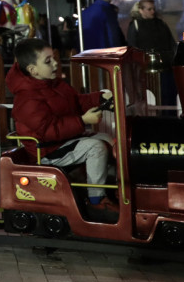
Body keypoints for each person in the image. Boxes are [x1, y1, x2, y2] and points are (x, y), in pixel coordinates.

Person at [8, 38, 117, 222]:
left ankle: (114, 185)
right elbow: (48, 130)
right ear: (33, 70)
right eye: (48, 61)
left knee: (108, 138)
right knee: (96, 147)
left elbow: (75, 102)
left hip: (63, 141)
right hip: (49, 149)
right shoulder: (27, 98)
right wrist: (82, 121)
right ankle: (96, 200)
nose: (55, 63)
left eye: (54, 58)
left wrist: (100, 98)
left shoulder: (54, 84)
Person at [126, 0, 177, 108]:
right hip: (145, 68)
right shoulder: (135, 25)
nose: (152, 12)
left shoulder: (160, 23)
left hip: (164, 66)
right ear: (141, 10)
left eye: (153, 9)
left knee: (166, 98)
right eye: (149, 9)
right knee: (151, 97)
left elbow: (170, 42)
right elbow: (132, 47)